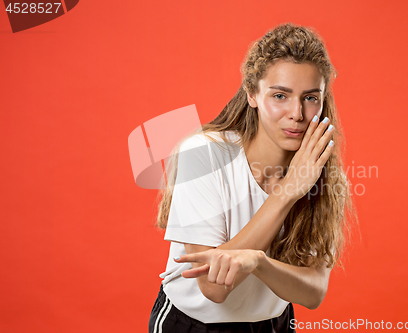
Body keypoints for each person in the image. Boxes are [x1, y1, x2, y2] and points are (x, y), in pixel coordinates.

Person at [149, 22, 357, 333]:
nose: (297, 114)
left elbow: (314, 292)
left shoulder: (321, 170)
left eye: (311, 98)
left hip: (272, 325)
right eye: (280, 95)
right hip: (194, 325)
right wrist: (287, 192)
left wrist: (259, 263)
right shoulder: (204, 155)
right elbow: (213, 286)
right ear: (252, 94)